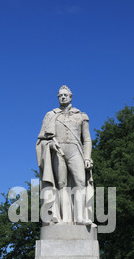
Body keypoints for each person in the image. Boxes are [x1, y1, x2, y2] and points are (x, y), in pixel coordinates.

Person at [36, 85, 94, 225]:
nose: (63, 97)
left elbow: (86, 139)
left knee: (80, 182)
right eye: (60, 95)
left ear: (70, 97)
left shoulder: (81, 116)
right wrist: (50, 144)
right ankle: (64, 219)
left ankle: (80, 217)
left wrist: (87, 157)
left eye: (65, 95)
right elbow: (41, 139)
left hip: (75, 150)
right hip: (58, 150)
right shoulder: (50, 115)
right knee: (61, 185)